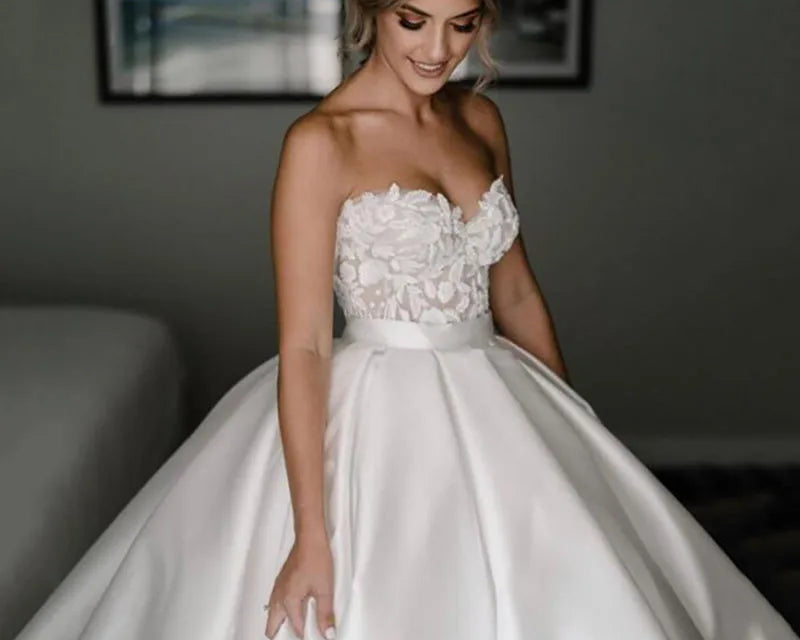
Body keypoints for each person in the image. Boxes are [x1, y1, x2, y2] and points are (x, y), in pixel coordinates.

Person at [14, 1, 799, 639]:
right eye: (414, 19)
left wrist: (574, 427)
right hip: (378, 407)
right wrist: (311, 539)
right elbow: (305, 340)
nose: (438, 48)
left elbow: (516, 290)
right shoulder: (322, 142)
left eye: (462, 24)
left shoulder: (480, 122)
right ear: (370, 14)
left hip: (498, 388)